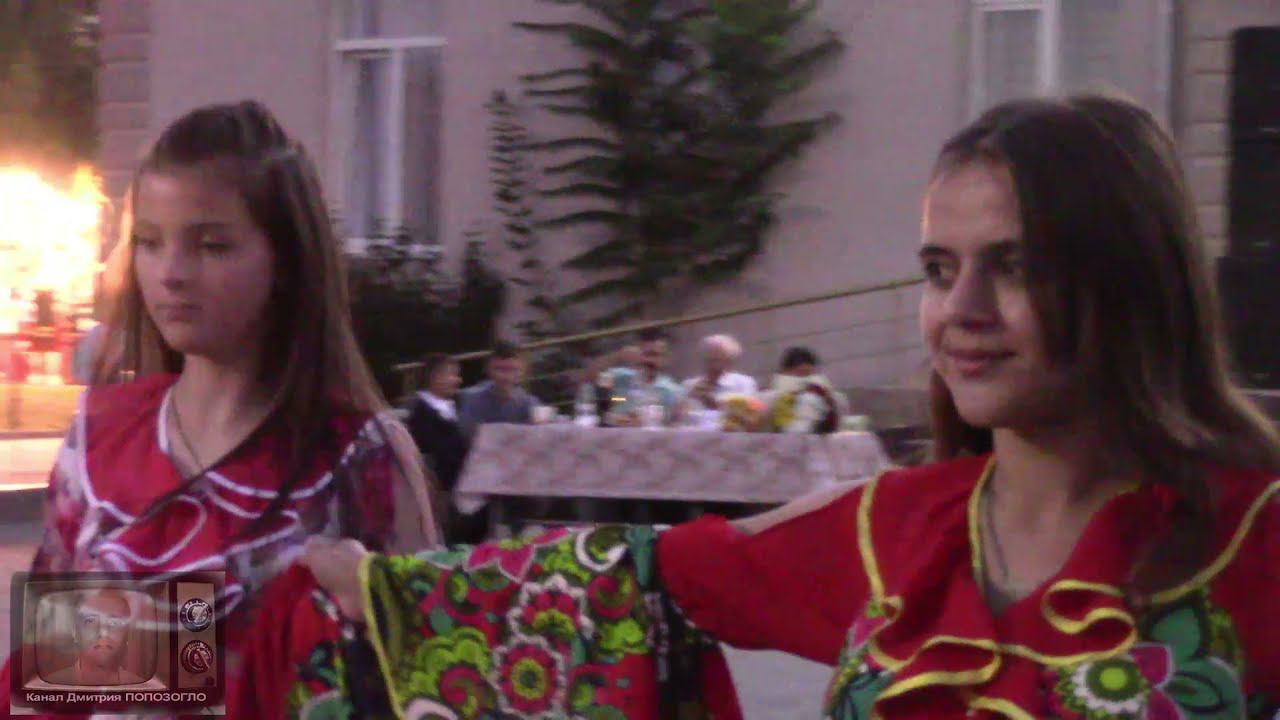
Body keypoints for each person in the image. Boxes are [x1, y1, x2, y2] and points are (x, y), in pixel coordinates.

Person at [240, 95, 1280, 719]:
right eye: (937, 268)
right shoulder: (896, 530)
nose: (960, 310)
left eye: (1012, 265)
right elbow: (639, 576)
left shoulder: (1257, 537)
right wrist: (384, 591)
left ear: (1128, 279)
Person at [0, 100, 439, 716]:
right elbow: (50, 676)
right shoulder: (100, 436)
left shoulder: (359, 455)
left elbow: (434, 676)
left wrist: (372, 611)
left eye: (211, 245)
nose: (171, 273)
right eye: (149, 242)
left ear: (286, 261)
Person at [402, 352, 479, 542]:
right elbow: (434, 450)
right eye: (452, 375)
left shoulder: (454, 407)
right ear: (435, 377)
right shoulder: (420, 413)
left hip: (462, 481)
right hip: (440, 486)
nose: (458, 381)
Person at [44, 589, 148, 687]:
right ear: (75, 632)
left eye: (115, 623)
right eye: (90, 621)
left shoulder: (142, 689)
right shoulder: (50, 686)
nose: (103, 633)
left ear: (127, 635)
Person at [457, 340, 539, 436]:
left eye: (512, 369)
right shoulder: (471, 399)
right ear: (488, 369)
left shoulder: (530, 403)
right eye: (499, 369)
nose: (505, 376)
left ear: (521, 372)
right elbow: (467, 435)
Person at [764, 346, 850, 434]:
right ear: (786, 371)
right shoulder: (772, 396)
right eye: (801, 373)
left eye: (809, 374)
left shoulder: (823, 392)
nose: (807, 378)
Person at [682, 333, 758, 410]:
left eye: (721, 360)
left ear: (730, 362)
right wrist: (690, 400)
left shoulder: (744, 383)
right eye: (711, 360)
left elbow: (747, 412)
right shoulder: (690, 385)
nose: (716, 365)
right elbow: (684, 413)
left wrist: (712, 403)